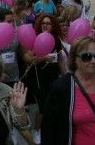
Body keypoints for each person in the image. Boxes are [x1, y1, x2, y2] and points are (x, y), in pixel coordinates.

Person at [21, 14, 62, 144]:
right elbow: (29, 59)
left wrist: (66, 74)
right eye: (43, 23)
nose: (45, 25)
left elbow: (60, 60)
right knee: (42, 104)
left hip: (52, 76)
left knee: (49, 104)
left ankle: (44, 128)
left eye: (48, 23)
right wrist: (43, 58)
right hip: (38, 77)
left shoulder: (56, 39)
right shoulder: (36, 37)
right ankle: (37, 130)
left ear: (53, 25)